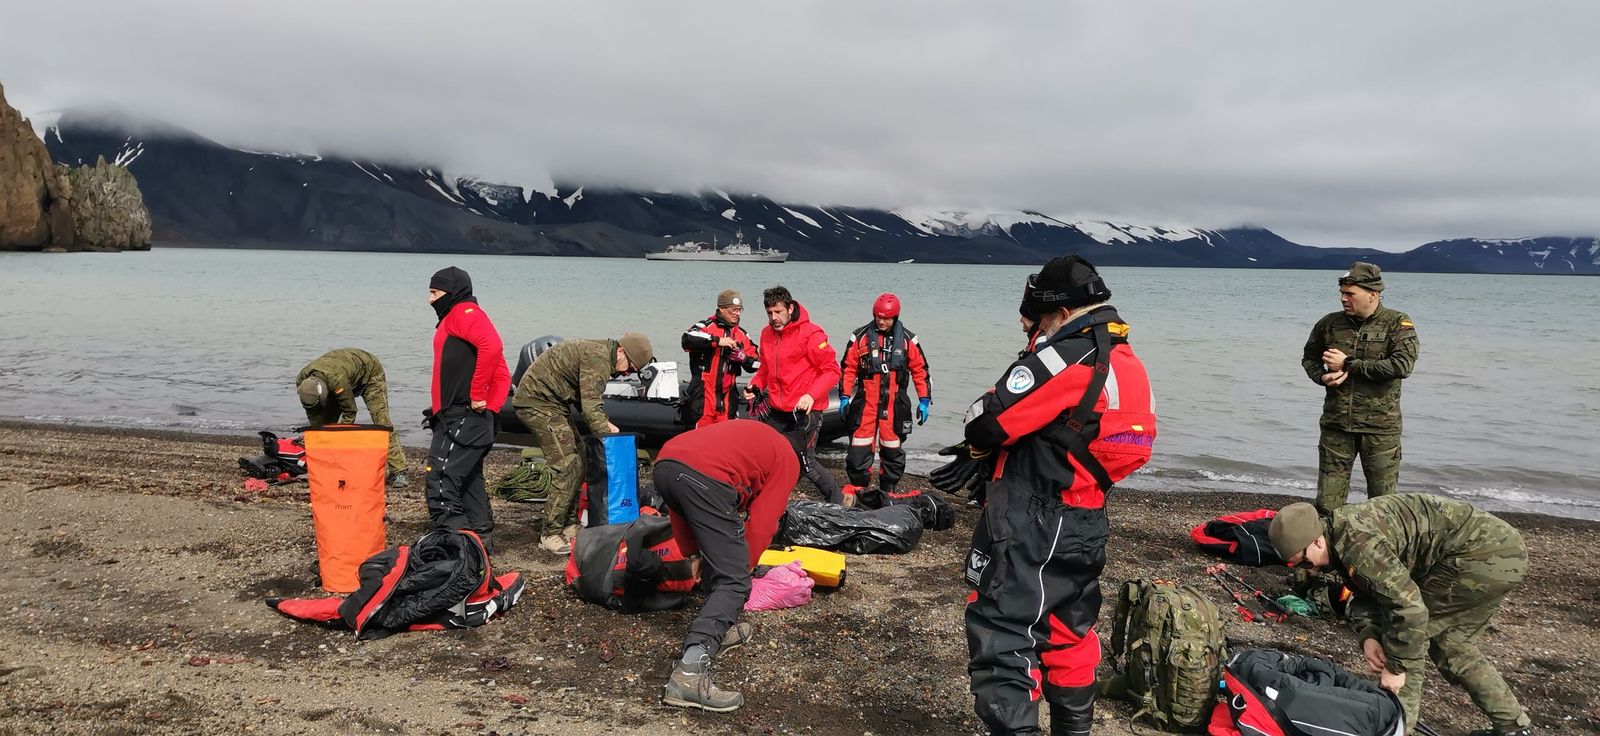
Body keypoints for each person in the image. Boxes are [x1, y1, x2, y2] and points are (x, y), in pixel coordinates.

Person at [933, 255, 1157, 736]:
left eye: (1030, 317)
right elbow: (1132, 449)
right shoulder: (1128, 362)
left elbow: (986, 418)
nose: (1025, 325)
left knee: (1003, 631)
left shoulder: (1066, 356)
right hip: (1087, 517)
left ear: (1055, 311)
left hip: (1033, 519)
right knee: (1069, 632)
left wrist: (981, 444)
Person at [1269, 496, 1532, 736]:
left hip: (1481, 555)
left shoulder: (1358, 544)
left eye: (1303, 561)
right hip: (1497, 549)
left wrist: (1396, 668)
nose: (1307, 569)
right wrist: (1369, 634)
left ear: (1316, 540)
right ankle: (1512, 726)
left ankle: (1399, 728)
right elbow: (1369, 589)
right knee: (1453, 646)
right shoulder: (1338, 536)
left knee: (1409, 638)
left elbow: (1411, 612)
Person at [654, 419, 799, 712]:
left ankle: (722, 625)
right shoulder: (787, 458)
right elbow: (761, 525)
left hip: (665, 464)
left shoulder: (751, 439)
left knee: (720, 556)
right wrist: (741, 572)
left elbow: (681, 507)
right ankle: (689, 674)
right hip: (705, 478)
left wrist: (693, 554)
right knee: (734, 577)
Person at [511, 333, 654, 555]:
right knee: (567, 465)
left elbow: (586, 398)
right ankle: (549, 534)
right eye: (629, 368)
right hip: (536, 402)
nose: (626, 374)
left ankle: (568, 526)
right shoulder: (598, 358)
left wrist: (604, 424)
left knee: (580, 461)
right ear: (621, 352)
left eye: (632, 373)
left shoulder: (602, 354)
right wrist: (608, 440)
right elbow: (589, 407)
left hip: (555, 404)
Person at [1302, 261, 1420, 515]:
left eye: (1350, 294)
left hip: (1380, 429)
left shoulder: (1397, 323)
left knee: (1384, 504)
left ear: (1372, 294)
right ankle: (1327, 550)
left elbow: (1402, 366)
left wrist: (1349, 364)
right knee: (1327, 504)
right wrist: (1321, 377)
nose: (1344, 299)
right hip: (1337, 425)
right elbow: (1309, 357)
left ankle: (1382, 550)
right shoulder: (1329, 324)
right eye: (1342, 294)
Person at [424, 267, 510, 552]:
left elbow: (493, 346)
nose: (429, 300)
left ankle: (456, 543)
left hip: (463, 416)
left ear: (451, 292)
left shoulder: (464, 313)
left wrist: (478, 399)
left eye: (434, 293)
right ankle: (480, 537)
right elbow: (502, 374)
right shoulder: (459, 317)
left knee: (440, 477)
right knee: (469, 478)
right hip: (465, 417)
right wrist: (491, 410)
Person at [742, 285, 843, 504]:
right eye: (769, 312)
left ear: (789, 308)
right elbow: (764, 371)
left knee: (805, 461)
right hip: (777, 408)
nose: (774, 317)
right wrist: (755, 387)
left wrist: (810, 395)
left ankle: (838, 501)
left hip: (805, 409)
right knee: (765, 453)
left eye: (778, 312)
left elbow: (832, 370)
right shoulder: (767, 333)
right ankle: (766, 499)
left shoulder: (811, 333)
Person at [837, 293, 932, 507]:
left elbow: (920, 370)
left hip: (894, 405)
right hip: (866, 404)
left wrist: (924, 399)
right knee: (857, 452)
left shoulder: (908, 339)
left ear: (895, 317)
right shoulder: (859, 336)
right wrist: (844, 396)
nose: (881, 321)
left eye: (886, 318)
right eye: (878, 317)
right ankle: (859, 495)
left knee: (893, 452)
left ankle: (888, 495)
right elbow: (848, 368)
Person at [296, 348, 409, 487]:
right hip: (340, 378)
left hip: (370, 373)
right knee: (322, 428)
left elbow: (350, 412)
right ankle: (321, 470)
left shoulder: (337, 380)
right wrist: (317, 435)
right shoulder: (302, 381)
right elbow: (313, 413)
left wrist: (340, 440)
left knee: (382, 422)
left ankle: (399, 471)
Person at [681, 289, 759, 427]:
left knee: (725, 444)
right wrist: (717, 341)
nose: (737, 313)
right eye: (733, 310)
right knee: (700, 443)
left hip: (728, 401)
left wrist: (744, 359)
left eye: (740, 309)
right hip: (703, 398)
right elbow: (687, 339)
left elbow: (757, 364)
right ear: (721, 309)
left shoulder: (742, 335)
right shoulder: (705, 326)